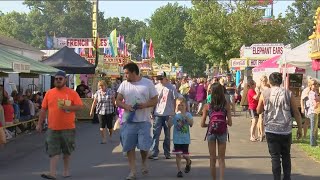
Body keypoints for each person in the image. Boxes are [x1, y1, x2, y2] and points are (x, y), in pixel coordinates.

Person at [36, 71, 83, 180]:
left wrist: (68, 108)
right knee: (53, 151)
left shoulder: (72, 93)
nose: (57, 80)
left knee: (67, 150)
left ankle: (66, 171)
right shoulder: (49, 93)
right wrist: (39, 124)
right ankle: (52, 173)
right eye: (56, 79)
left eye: (60, 79)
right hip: (52, 128)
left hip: (68, 127)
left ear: (65, 80)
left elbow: (80, 107)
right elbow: (43, 109)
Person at [115, 63, 158, 180]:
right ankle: (133, 172)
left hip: (144, 121)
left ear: (134, 72)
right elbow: (118, 100)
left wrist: (144, 105)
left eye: (127, 73)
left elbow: (155, 100)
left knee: (144, 147)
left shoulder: (147, 83)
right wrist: (126, 106)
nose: (125, 76)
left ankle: (144, 162)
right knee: (129, 147)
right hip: (129, 121)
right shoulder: (124, 84)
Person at [257, 72, 302, 180]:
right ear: (281, 81)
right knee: (286, 155)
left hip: (271, 129)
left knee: (275, 157)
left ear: (270, 81)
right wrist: (300, 128)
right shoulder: (288, 93)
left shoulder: (265, 93)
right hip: (285, 130)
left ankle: (276, 178)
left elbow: (258, 110)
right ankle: (287, 177)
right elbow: (296, 112)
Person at [201, 82, 232, 180]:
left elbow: (202, 124)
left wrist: (210, 124)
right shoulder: (226, 105)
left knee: (212, 158)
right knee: (221, 159)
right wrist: (223, 121)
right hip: (222, 132)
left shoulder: (207, 106)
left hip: (211, 132)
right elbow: (230, 123)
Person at [149, 71, 178, 160]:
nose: (160, 81)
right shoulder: (156, 87)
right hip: (158, 114)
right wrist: (151, 111)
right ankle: (154, 153)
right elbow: (153, 100)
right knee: (156, 134)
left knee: (167, 135)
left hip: (168, 114)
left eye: (161, 79)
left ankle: (167, 153)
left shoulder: (171, 87)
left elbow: (175, 100)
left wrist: (174, 113)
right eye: (159, 79)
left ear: (165, 78)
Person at [168, 97, 193, 178]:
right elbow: (169, 125)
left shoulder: (188, 114)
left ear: (185, 106)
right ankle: (179, 171)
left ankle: (188, 161)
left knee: (185, 155)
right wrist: (172, 116)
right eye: (179, 105)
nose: (180, 107)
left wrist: (185, 117)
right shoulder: (175, 115)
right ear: (176, 106)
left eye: (182, 105)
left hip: (185, 139)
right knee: (178, 155)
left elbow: (191, 124)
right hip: (177, 139)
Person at [305, 79, 319, 146]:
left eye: (316, 84)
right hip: (312, 111)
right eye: (313, 84)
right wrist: (318, 102)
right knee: (313, 129)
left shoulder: (315, 92)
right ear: (310, 85)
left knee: (315, 128)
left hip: (315, 111)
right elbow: (315, 104)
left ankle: (314, 142)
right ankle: (312, 144)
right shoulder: (311, 93)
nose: (315, 85)